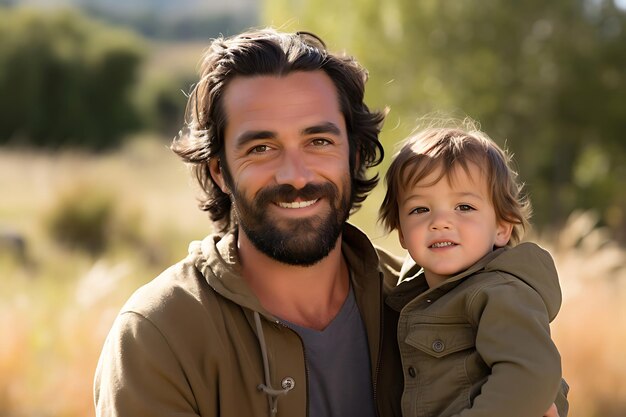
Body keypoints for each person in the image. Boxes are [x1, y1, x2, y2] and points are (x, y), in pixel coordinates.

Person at [93, 28, 566, 417]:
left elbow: (536, 386)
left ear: (355, 154)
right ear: (220, 170)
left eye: (318, 141)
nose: (295, 175)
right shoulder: (159, 334)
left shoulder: (420, 298)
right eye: (261, 148)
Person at [379, 124, 567, 417]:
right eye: (420, 210)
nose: (440, 222)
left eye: (464, 207)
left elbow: (532, 373)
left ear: (502, 228)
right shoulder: (407, 293)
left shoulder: (500, 292)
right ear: (401, 233)